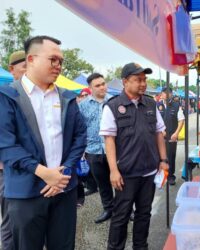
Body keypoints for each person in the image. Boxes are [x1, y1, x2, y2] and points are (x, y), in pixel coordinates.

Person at [0, 35, 86, 250]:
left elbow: (80, 137)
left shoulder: (66, 97)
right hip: (26, 192)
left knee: (63, 245)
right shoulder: (8, 96)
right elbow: (6, 145)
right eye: (53, 60)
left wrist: (63, 174)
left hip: (64, 189)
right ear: (31, 59)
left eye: (61, 61)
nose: (58, 66)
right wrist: (43, 172)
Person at [99, 62, 168, 249]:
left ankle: (140, 246)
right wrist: (113, 170)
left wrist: (163, 160)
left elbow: (159, 134)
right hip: (126, 174)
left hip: (148, 172)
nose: (143, 83)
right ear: (125, 82)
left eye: (144, 79)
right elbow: (109, 140)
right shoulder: (112, 107)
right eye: (138, 80)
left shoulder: (151, 104)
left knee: (144, 214)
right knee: (121, 216)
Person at [79, 73, 114, 223]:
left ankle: (126, 210)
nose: (102, 87)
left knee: (120, 181)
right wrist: (82, 152)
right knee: (103, 183)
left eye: (103, 83)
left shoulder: (114, 101)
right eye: (97, 85)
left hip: (113, 150)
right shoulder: (83, 105)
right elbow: (80, 129)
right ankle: (108, 209)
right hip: (93, 151)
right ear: (90, 88)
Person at [0, 50, 27, 250]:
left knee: (33, 221)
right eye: (24, 66)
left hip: (36, 170)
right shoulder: (5, 95)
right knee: (11, 222)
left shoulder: (40, 97)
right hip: (8, 171)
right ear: (12, 70)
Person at [157, 87, 185, 185]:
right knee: (159, 157)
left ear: (171, 94)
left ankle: (170, 176)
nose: (165, 94)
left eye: (168, 93)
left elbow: (181, 120)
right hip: (160, 136)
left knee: (171, 157)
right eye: (164, 92)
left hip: (172, 136)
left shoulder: (177, 105)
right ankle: (161, 176)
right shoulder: (157, 105)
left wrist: (176, 133)